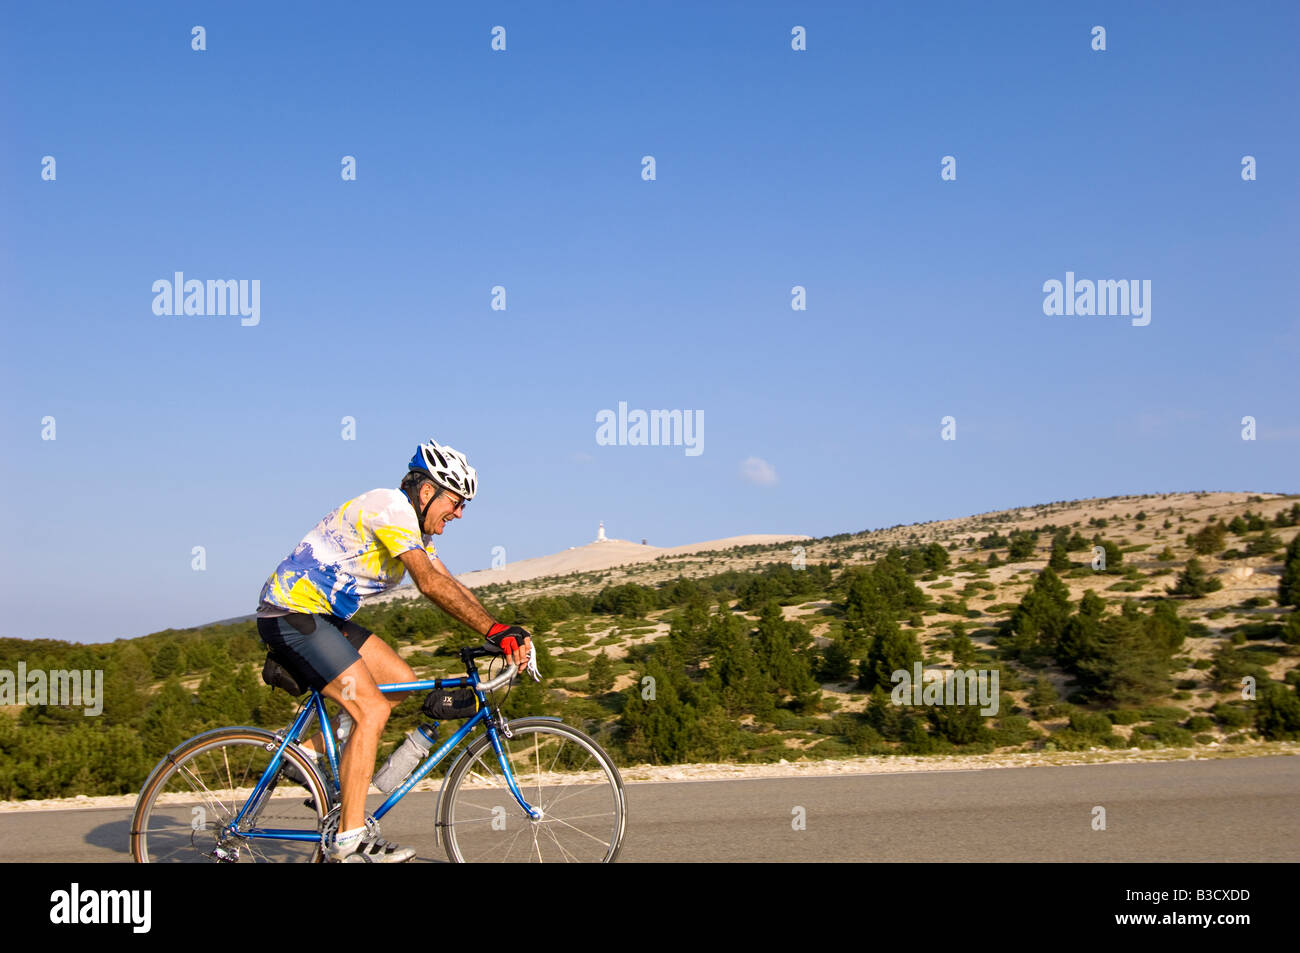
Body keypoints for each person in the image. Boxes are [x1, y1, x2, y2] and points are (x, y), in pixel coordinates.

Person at [255, 438, 533, 862]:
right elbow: (429, 584)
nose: (459, 513)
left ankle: (307, 754)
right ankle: (349, 840)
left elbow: (448, 581)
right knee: (371, 711)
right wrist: (494, 631)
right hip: (292, 614)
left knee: (400, 682)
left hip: (322, 617)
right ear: (428, 492)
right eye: (456, 502)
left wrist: (501, 630)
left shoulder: (414, 529)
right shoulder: (391, 509)